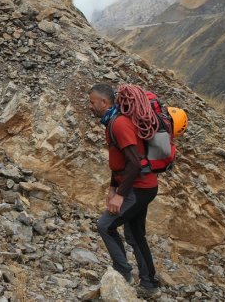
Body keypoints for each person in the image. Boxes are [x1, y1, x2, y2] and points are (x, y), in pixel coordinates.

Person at [88, 83, 161, 297]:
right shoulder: (112, 122)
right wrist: (113, 188)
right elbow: (119, 161)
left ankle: (123, 273)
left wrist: (120, 195)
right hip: (142, 186)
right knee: (135, 235)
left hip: (139, 187)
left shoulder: (119, 124)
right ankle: (149, 284)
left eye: (92, 102)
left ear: (104, 102)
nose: (90, 106)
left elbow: (135, 163)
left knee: (105, 225)